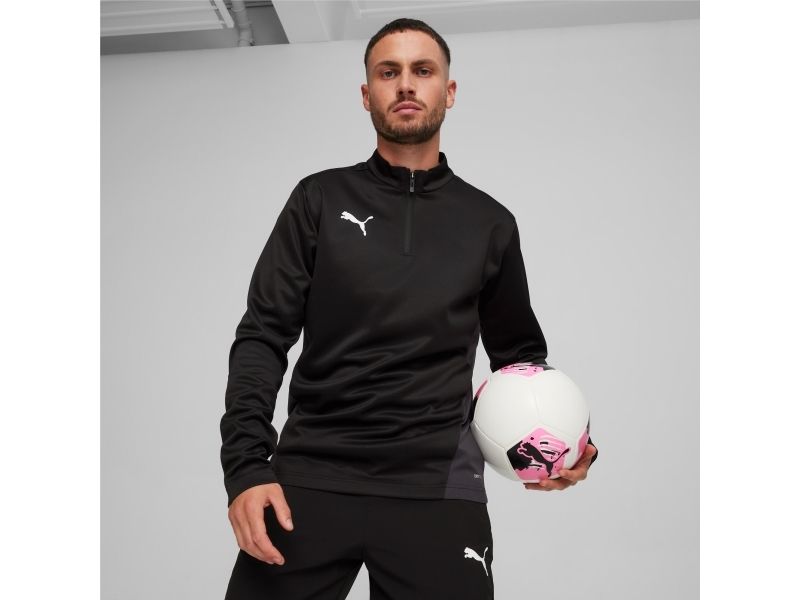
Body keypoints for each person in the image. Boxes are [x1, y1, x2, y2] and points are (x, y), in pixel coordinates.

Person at [220, 17, 598, 600]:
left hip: (438, 490)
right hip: (309, 481)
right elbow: (262, 336)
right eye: (387, 72)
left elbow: (521, 362)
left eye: (422, 70)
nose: (405, 84)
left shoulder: (489, 223)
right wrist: (246, 468)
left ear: (449, 91)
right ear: (366, 93)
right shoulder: (319, 199)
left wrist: (566, 446)